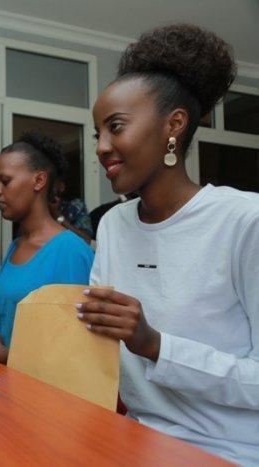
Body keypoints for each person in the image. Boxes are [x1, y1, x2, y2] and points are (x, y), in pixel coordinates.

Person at [77, 24, 258, 464]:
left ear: (173, 125)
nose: (101, 147)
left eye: (115, 127)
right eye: (97, 134)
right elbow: (96, 343)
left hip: (227, 451)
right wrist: (11, 351)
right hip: (134, 439)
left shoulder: (244, 221)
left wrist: (156, 344)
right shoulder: (113, 225)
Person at [0, 132, 94, 362]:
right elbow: (8, 329)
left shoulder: (70, 251)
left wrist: (7, 356)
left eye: (5, 181)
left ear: (39, 181)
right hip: (7, 378)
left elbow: (74, 352)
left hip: (39, 385)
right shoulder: (17, 245)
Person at [49, 179, 94, 244]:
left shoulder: (74, 207)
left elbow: (86, 240)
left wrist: (58, 216)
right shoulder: (36, 210)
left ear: (61, 186)